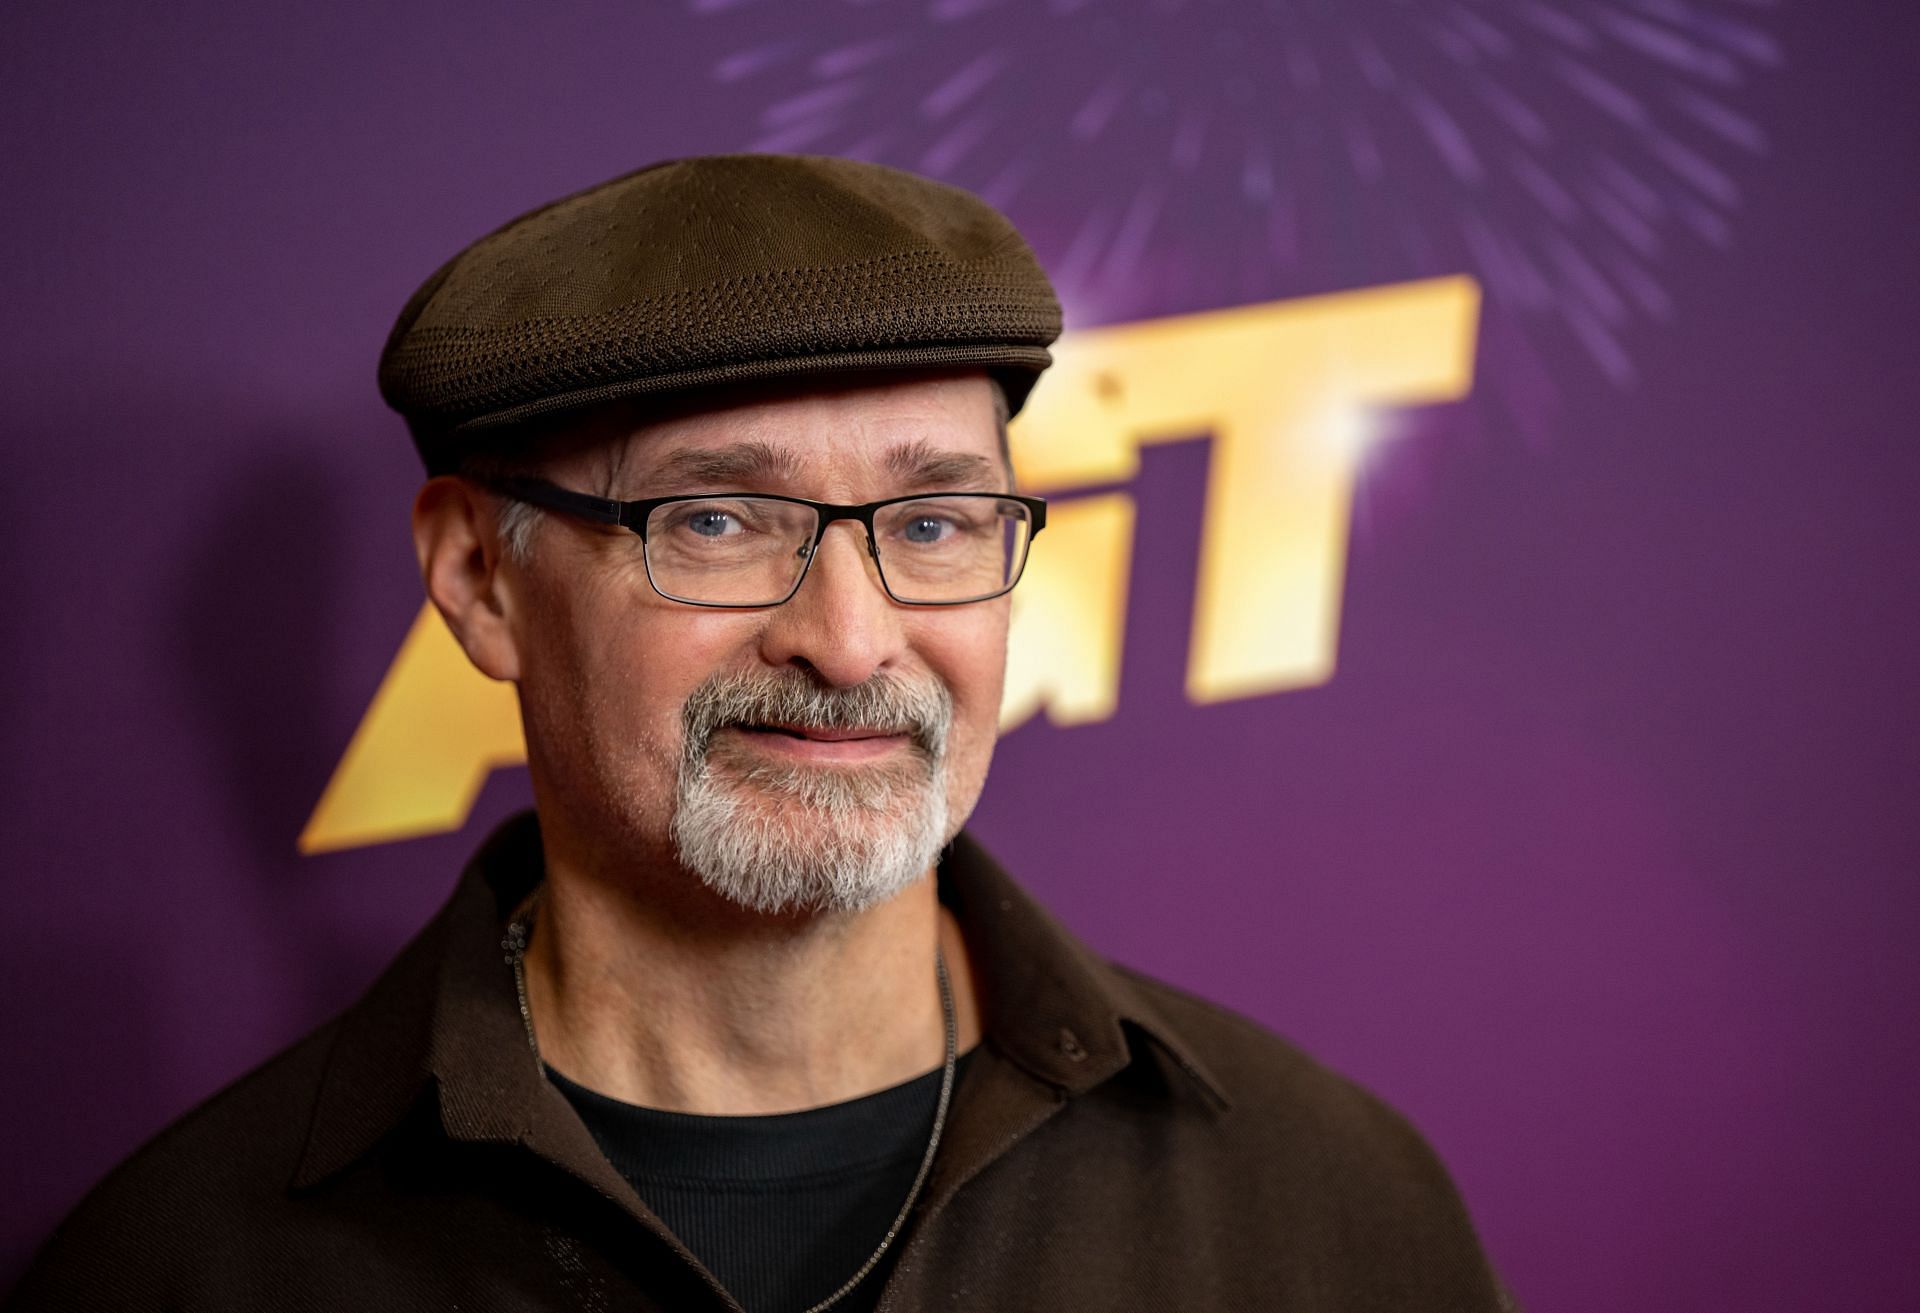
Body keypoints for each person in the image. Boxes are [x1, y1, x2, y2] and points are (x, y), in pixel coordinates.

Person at [8, 155, 1513, 1312]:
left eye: (932, 521)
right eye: (718, 518)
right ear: (480, 580)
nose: (850, 639)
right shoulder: (182, 1271)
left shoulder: (1327, 1211)